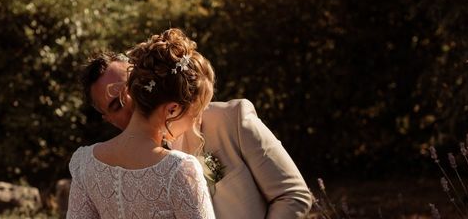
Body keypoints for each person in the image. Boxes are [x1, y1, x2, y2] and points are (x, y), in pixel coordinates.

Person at [81, 30, 313, 219]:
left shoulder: (232, 119)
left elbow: (293, 195)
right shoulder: (114, 173)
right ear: (108, 119)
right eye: (116, 105)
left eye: (130, 89)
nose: (133, 104)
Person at [67, 29, 217, 219]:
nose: (197, 120)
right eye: (196, 114)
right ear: (172, 109)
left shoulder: (85, 164)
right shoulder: (180, 169)